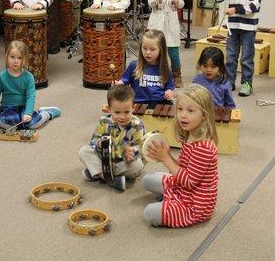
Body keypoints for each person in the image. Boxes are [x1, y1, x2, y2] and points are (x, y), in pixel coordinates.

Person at [142, 83, 218, 227]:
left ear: (204, 115)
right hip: (181, 187)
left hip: (195, 205)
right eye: (180, 109)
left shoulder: (204, 147)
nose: (183, 115)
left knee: (149, 213)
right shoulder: (190, 134)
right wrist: (168, 156)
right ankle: (169, 200)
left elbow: (189, 181)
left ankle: (170, 203)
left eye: (190, 111)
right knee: (147, 180)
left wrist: (165, 159)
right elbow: (183, 168)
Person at [78, 84, 145, 192]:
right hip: (105, 158)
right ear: (109, 109)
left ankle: (98, 172)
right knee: (84, 151)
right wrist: (98, 143)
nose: (122, 117)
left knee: (137, 166)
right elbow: (93, 141)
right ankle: (110, 178)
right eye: (117, 112)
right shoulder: (103, 121)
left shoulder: (137, 125)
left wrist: (133, 152)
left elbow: (140, 148)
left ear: (133, 108)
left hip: (122, 162)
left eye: (127, 112)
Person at [214, 0, 262, 97]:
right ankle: (229, 82)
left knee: (247, 58)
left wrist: (236, 10)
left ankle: (247, 84)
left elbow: (255, 6)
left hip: (248, 27)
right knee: (231, 56)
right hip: (233, 26)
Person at [0, 40, 61, 129]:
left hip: (24, 108)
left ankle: (47, 113)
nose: (15, 61)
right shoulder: (2, 76)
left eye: (19, 58)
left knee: (32, 124)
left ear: (24, 60)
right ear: (7, 57)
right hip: (7, 109)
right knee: (10, 125)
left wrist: (28, 113)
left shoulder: (29, 77)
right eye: (12, 57)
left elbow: (30, 96)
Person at [147, 0, 185, 87]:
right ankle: (157, 74)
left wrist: (177, 1)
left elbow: (181, 4)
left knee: (173, 52)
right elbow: (151, 4)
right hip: (157, 24)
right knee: (156, 50)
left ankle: (177, 75)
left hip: (171, 25)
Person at [115, 29, 174, 105]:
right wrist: (118, 83)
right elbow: (124, 81)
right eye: (144, 48)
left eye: (152, 49)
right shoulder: (134, 65)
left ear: (161, 50)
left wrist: (169, 92)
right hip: (138, 103)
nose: (148, 52)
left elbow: (169, 87)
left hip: (159, 103)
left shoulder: (165, 69)